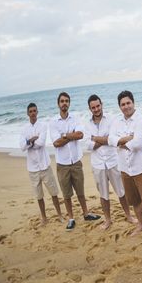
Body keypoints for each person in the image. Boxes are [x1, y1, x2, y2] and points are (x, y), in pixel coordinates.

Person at [108, 90, 142, 239]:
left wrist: (120, 141)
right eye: (123, 104)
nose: (126, 106)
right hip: (124, 169)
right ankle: (141, 224)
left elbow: (138, 143)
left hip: (141, 168)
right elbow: (110, 140)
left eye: (128, 103)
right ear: (119, 107)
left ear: (133, 103)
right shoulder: (116, 121)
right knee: (134, 201)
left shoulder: (141, 120)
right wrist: (127, 139)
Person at [49, 92, 101, 230]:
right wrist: (71, 136)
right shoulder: (53, 122)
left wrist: (64, 135)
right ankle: (71, 218)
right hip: (62, 164)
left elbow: (80, 135)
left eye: (66, 101)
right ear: (58, 104)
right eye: (62, 101)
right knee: (66, 194)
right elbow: (56, 143)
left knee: (80, 191)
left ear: (69, 103)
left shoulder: (76, 118)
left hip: (76, 161)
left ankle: (86, 213)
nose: (64, 103)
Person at [85, 94, 135, 230]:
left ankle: (128, 216)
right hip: (98, 164)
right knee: (103, 194)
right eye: (93, 107)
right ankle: (107, 220)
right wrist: (104, 140)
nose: (96, 109)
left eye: (98, 106)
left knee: (121, 191)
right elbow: (87, 145)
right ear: (90, 109)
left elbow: (113, 140)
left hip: (113, 161)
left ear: (101, 105)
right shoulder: (87, 123)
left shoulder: (111, 120)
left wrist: (95, 138)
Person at [20, 102, 63, 225]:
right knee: (39, 196)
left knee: (54, 193)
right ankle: (44, 218)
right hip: (32, 168)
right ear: (28, 113)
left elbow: (41, 143)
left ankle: (59, 214)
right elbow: (22, 147)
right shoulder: (24, 129)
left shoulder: (43, 126)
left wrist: (30, 142)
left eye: (35, 111)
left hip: (45, 165)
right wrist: (31, 140)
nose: (33, 113)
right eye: (31, 111)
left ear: (37, 112)